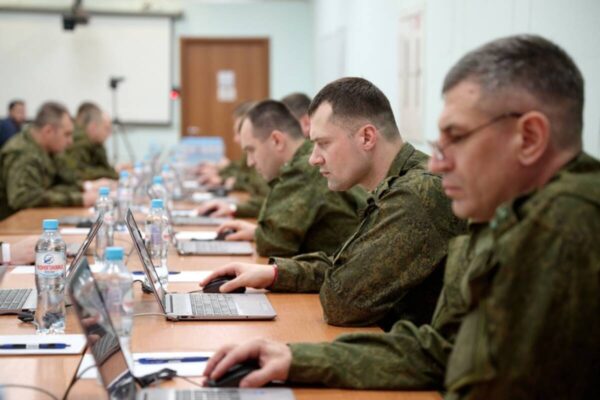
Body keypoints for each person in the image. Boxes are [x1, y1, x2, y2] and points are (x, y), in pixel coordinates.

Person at [203, 35, 600, 399]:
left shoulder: (561, 225)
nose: (439, 165)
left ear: (529, 138)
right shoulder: (505, 214)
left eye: (457, 138)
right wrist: (295, 358)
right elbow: (441, 352)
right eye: (439, 144)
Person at [201, 78, 466, 329]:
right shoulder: (397, 183)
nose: (313, 158)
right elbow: (347, 264)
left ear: (366, 137)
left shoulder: (415, 194)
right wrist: (274, 274)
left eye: (323, 144)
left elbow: (342, 301)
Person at [210, 99, 366, 257]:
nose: (250, 162)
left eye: (252, 150)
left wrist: (260, 235)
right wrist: (256, 232)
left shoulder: (304, 170)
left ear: (276, 140)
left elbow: (272, 243)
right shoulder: (306, 159)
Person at [0, 102, 97, 220]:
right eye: (66, 134)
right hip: (11, 225)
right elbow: (22, 198)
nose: (70, 141)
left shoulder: (47, 150)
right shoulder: (22, 154)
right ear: (48, 131)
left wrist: (84, 188)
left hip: (32, 219)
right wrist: (79, 199)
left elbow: (64, 181)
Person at [198, 101, 270, 218]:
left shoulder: (266, 159)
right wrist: (224, 177)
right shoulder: (253, 155)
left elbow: (267, 200)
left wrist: (227, 181)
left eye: (239, 132)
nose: (236, 139)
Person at [57, 102, 118, 181]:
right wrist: (110, 173)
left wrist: (111, 172)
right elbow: (78, 172)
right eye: (106, 128)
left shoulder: (96, 143)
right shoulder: (80, 140)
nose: (109, 133)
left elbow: (102, 166)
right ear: (93, 127)